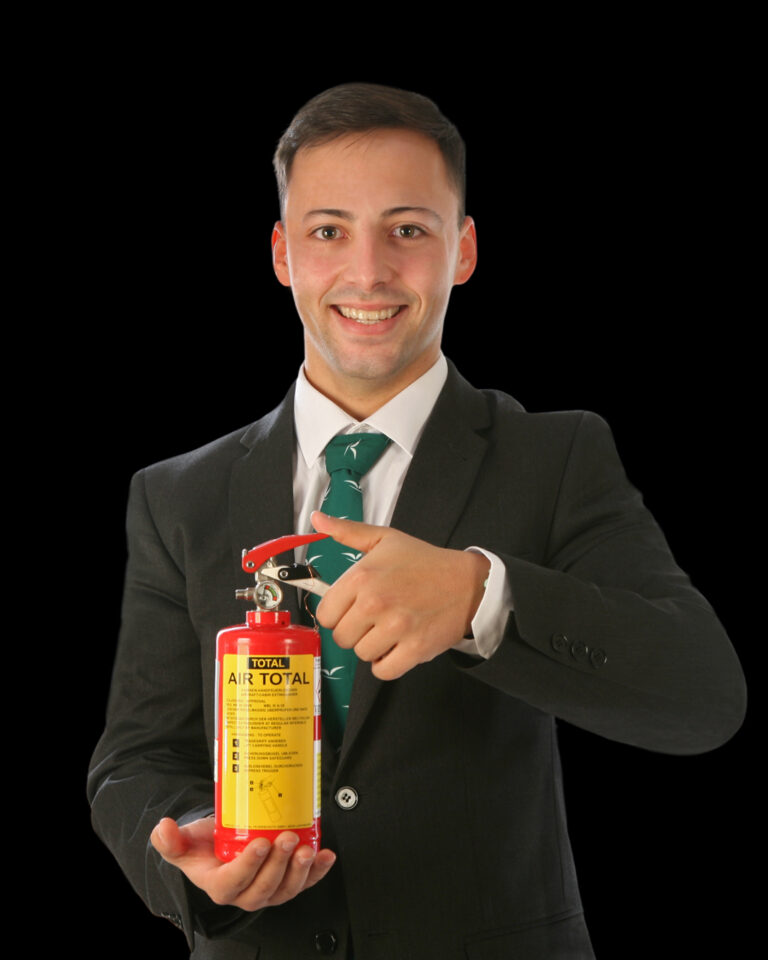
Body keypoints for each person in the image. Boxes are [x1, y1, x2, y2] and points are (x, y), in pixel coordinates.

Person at [88, 83, 746, 960]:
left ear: (462, 249)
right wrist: (194, 850)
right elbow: (135, 759)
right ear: (282, 253)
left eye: (407, 229)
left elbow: (703, 698)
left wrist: (481, 596)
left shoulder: (557, 457)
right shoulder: (178, 495)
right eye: (329, 232)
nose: (367, 272)